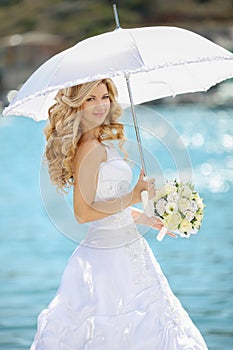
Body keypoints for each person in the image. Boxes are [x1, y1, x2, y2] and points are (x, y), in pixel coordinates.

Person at [30, 78, 208, 349]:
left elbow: (109, 208)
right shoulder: (88, 149)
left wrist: (147, 217)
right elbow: (82, 213)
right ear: (77, 105)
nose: (100, 104)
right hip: (106, 258)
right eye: (90, 98)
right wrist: (134, 195)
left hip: (130, 249)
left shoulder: (100, 143)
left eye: (105, 96)